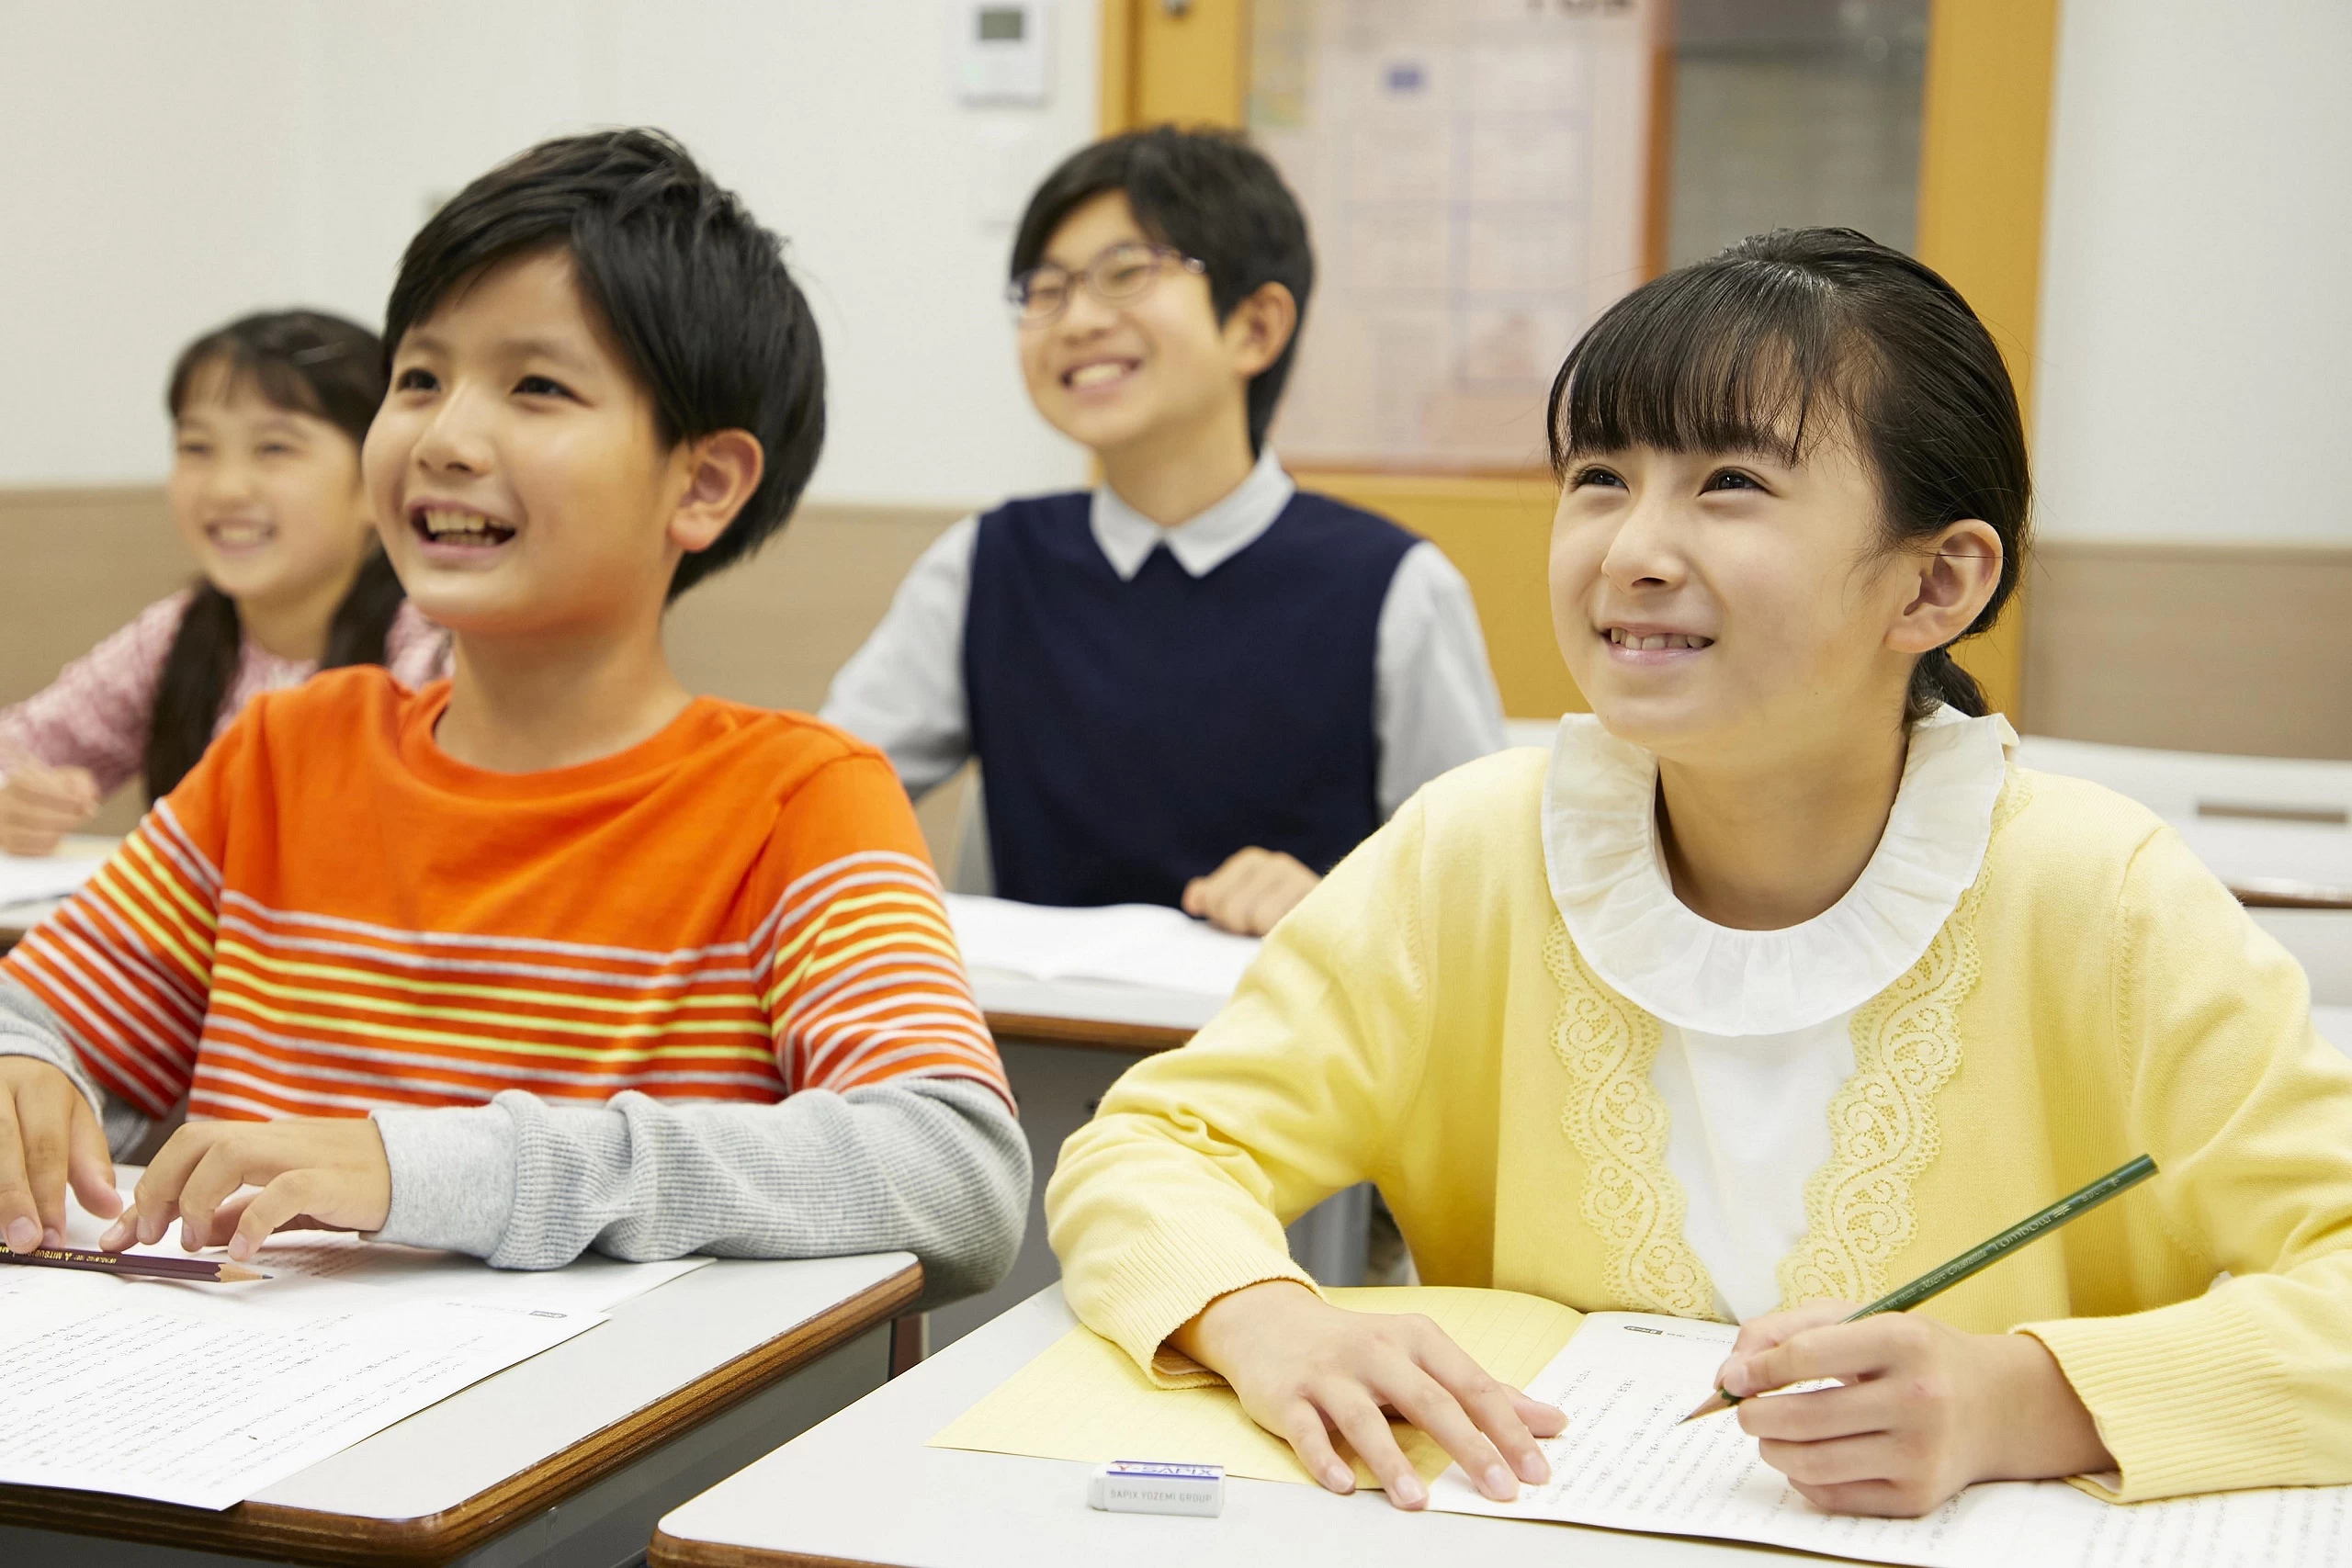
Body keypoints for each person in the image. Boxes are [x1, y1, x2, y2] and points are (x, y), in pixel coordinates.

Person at [1044, 229, 2352, 1515]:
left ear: (1935, 582)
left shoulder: (2100, 894)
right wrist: (1264, 1315)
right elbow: (1155, 1144)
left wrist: (2023, 1398)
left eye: (1730, 481)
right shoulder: (1477, 853)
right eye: (1601, 475)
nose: (1631, 549)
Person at [0, 130, 1027, 1308]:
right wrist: (25, 1071)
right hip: (231, 1431)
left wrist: (428, 1165)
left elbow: (955, 1173)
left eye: (536, 387)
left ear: (702, 486)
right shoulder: (288, 752)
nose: (443, 438)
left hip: (594, 1460)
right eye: (420, 379)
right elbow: (35, 1016)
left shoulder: (798, 797)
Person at [821, 126, 1505, 936]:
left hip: (1295, 1049)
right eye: (1046, 288)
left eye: (1125, 273)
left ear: (1256, 326)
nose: (1075, 319)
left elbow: (1484, 888)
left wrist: (1338, 899)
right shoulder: (986, 563)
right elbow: (823, 795)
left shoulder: (1394, 586)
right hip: (1039, 1042)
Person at [0, 311, 448, 855]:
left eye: (275, 449)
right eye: (196, 448)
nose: (227, 487)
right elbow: (19, 750)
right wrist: (19, 802)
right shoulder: (174, 635)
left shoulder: (432, 644)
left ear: (379, 477)